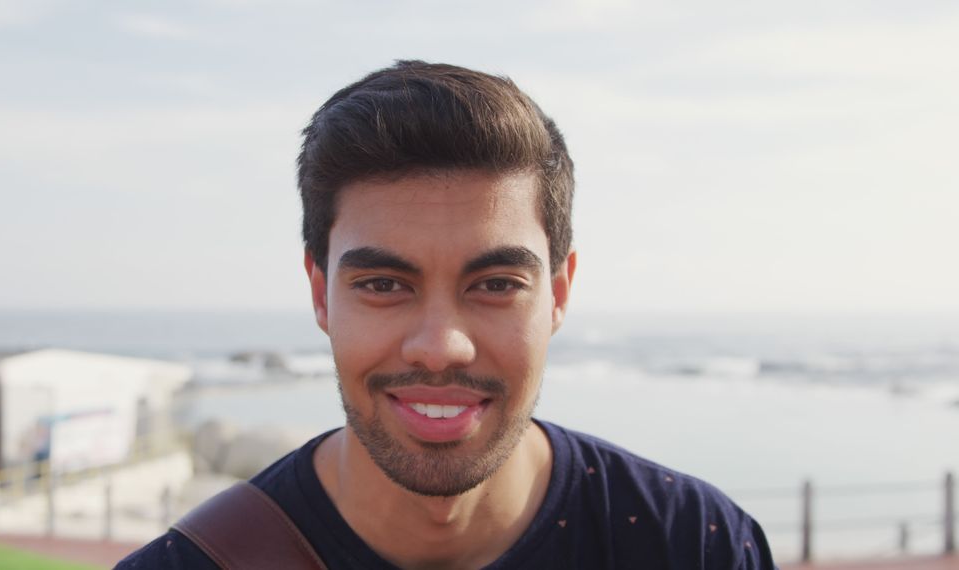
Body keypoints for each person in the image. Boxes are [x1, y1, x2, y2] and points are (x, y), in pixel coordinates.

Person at [117, 60, 776, 569]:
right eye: (382, 283)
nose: (440, 347)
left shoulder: (691, 544)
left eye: (494, 284)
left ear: (560, 294)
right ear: (320, 293)